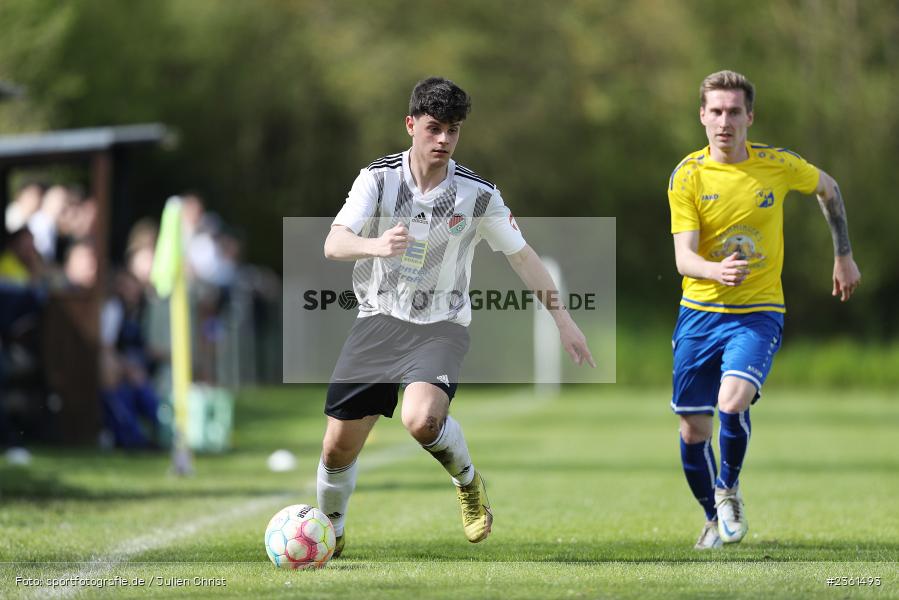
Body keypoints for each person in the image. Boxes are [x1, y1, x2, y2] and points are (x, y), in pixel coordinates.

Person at [317, 76, 595, 557]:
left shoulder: (478, 195)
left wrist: (563, 321)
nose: (444, 139)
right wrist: (375, 244)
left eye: (453, 130)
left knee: (421, 420)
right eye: (434, 128)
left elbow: (523, 258)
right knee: (337, 450)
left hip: (440, 327)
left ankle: (468, 483)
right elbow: (334, 243)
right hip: (378, 321)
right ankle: (331, 531)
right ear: (411, 125)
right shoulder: (376, 179)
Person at [667, 70, 861, 549]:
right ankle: (712, 518)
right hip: (699, 313)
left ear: (749, 116)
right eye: (716, 111)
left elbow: (828, 188)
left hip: (758, 312)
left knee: (732, 403)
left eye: (734, 111)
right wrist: (715, 272)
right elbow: (683, 257)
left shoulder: (776, 164)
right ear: (702, 116)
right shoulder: (688, 175)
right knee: (694, 431)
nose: (725, 121)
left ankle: (728, 490)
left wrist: (843, 253)